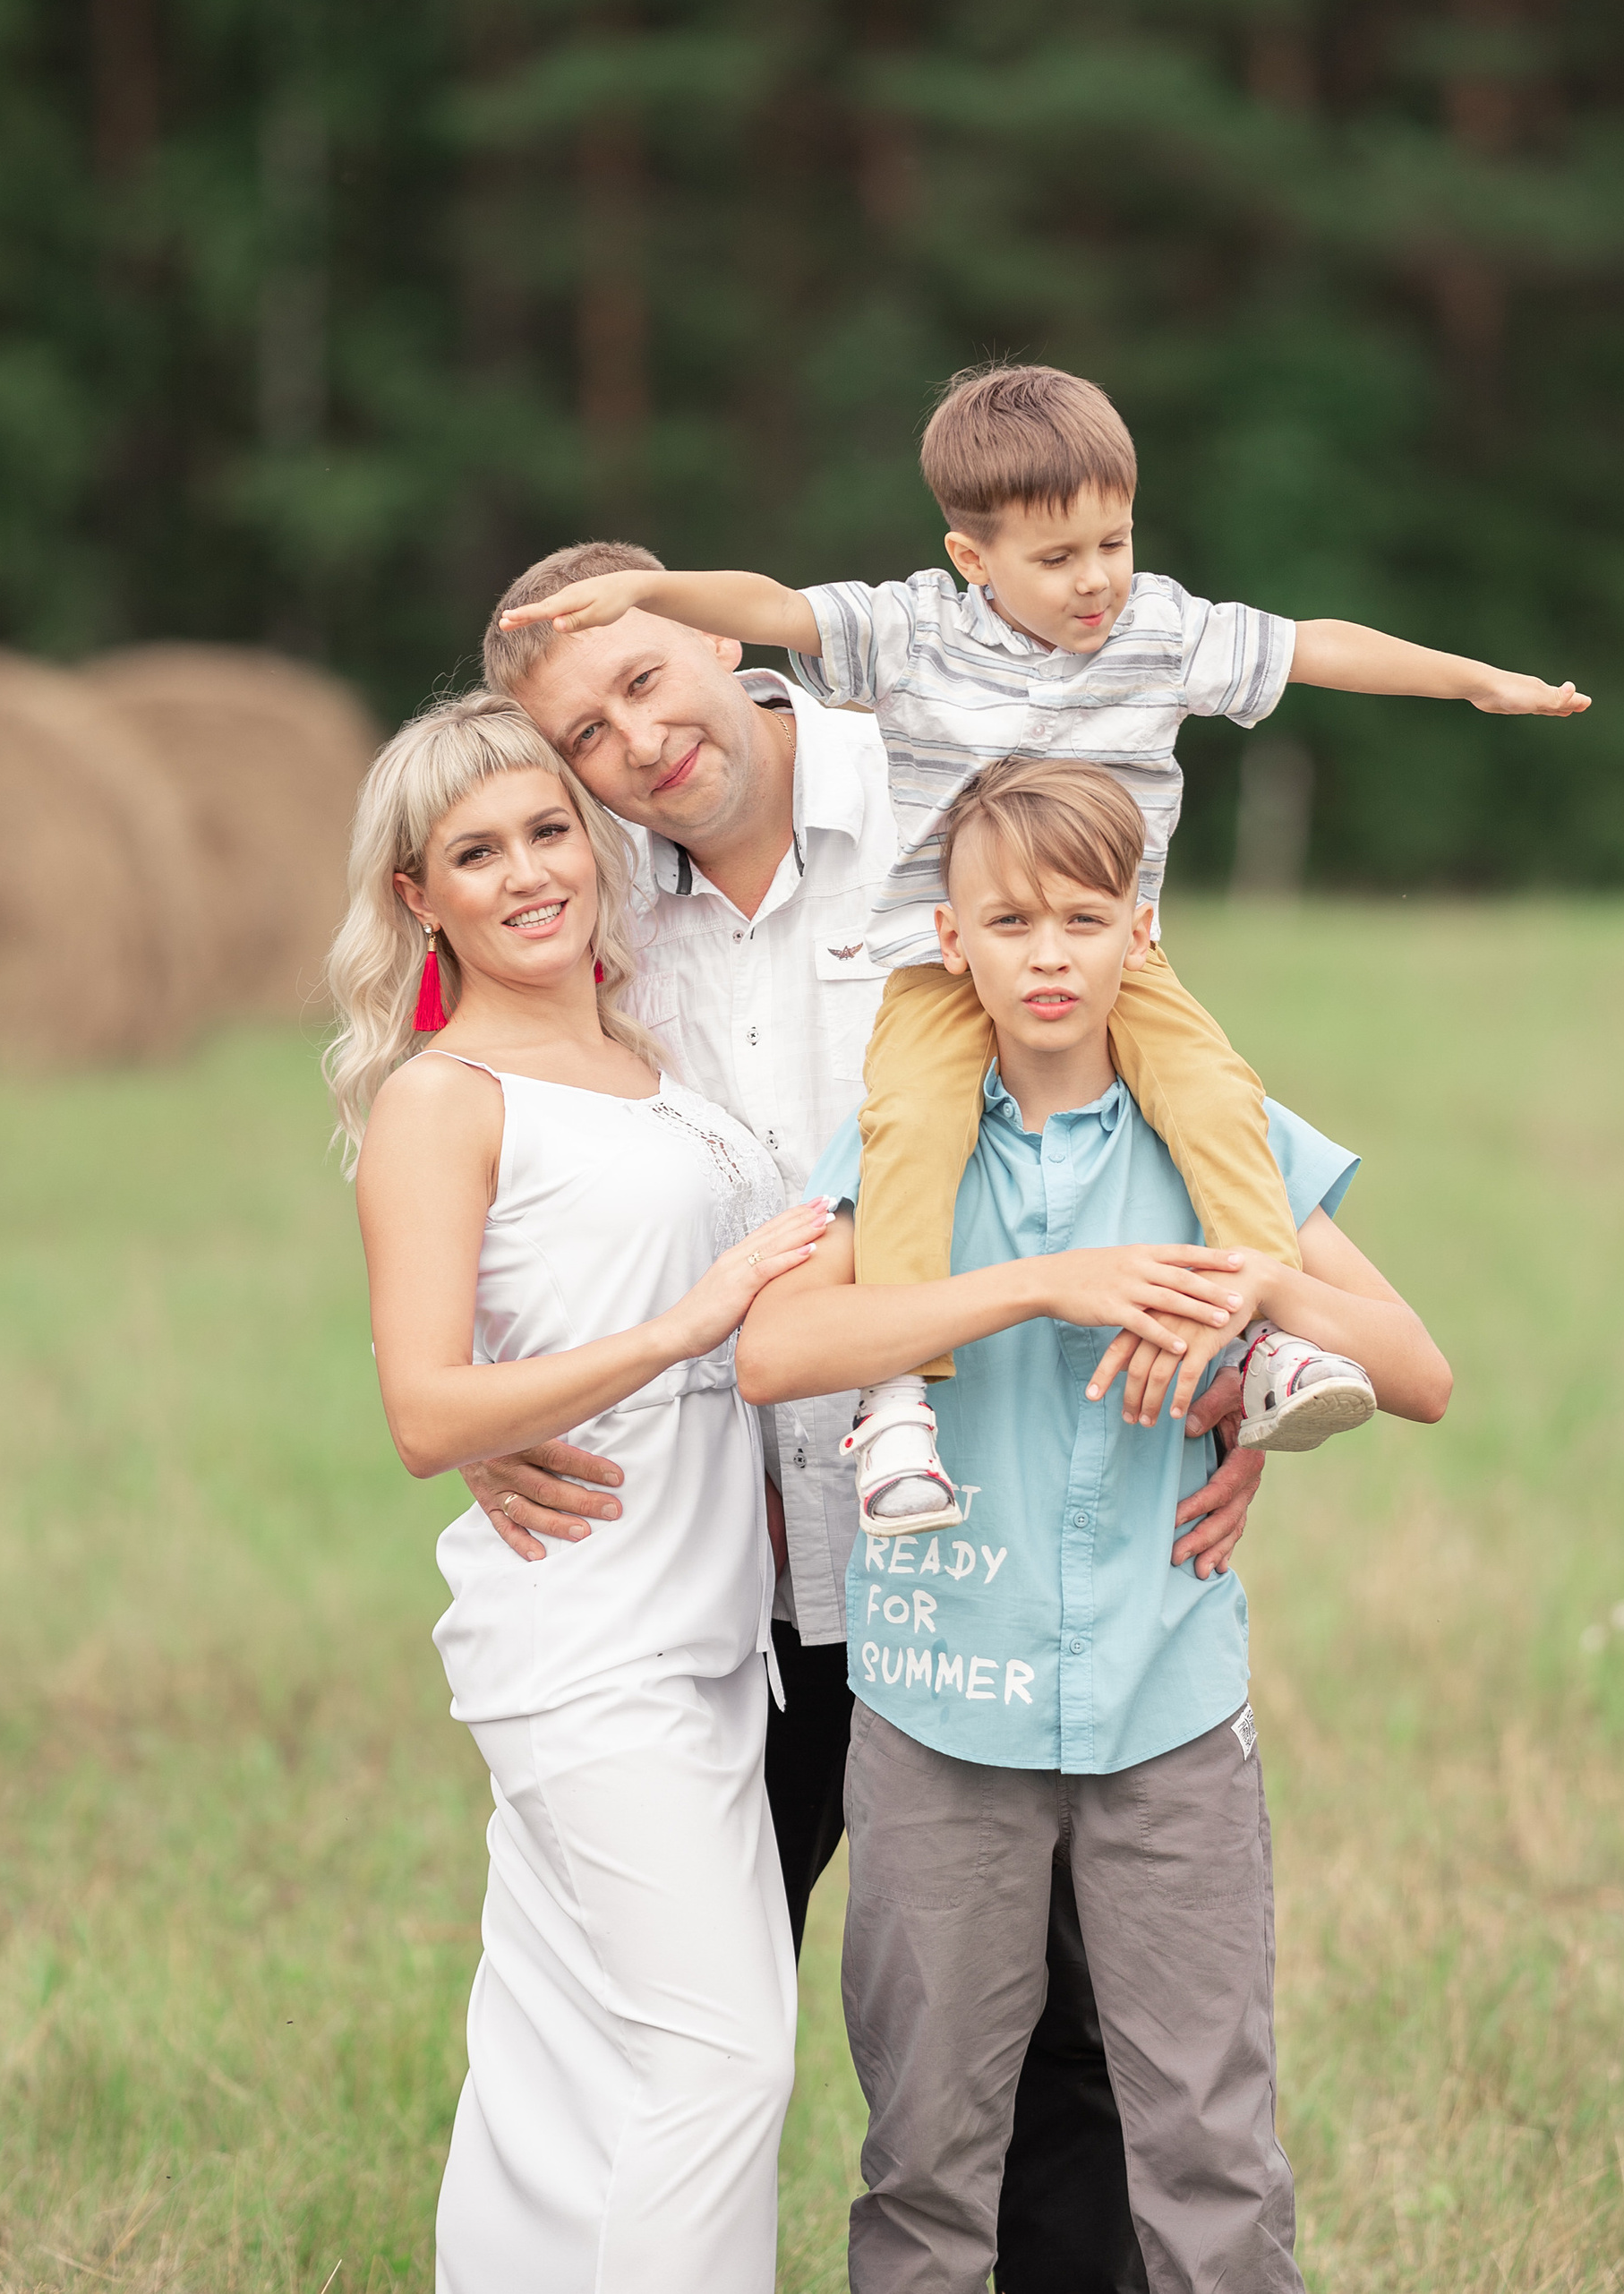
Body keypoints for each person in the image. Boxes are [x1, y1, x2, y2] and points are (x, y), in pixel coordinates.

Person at [474, 537, 1269, 2290]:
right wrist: (471, 1398)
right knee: (698, 2043)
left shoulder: (949, 798)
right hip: (719, 1576)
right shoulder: (589, 910)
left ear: (721, 635)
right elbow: (487, 1142)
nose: (634, 739)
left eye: (643, 676)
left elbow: (1153, 1107)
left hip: (994, 1540)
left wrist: (1234, 1388)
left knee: (1060, 2069)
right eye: (582, 731)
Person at [500, 361, 1572, 1536]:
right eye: (1060, 559)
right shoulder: (893, 653)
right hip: (933, 1000)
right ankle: (896, 1398)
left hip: (1110, 1050)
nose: (1097, 579)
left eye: (1112, 542)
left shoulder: (1125, 651)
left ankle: (1266, 1341)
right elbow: (774, 607)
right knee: (908, 1119)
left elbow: (1313, 647)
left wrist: (1475, 679)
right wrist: (656, 591)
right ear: (975, 557)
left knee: (1214, 1093)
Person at [736, 757, 1455, 2294]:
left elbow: (1422, 1372)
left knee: (1207, 2143)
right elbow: (773, 1354)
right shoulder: (907, 1149)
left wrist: (1263, 1284)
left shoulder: (1224, 1142)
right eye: (1010, 921)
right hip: (937, 1713)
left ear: (1142, 930)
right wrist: (1046, 1285)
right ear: (955, 942)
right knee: (928, 2153)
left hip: (1167, 1709)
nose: (1048, 952)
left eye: (1082, 916)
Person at [322, 690, 834, 2292]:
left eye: (550, 829)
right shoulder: (443, 1097)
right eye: (476, 852)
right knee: (722, 2059)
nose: (530, 871)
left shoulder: (644, 1055)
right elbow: (426, 1408)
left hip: (712, 1630)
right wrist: (690, 1320)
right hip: (587, 1635)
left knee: (563, 2055)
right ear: (419, 898)